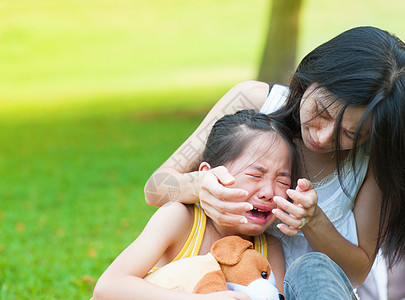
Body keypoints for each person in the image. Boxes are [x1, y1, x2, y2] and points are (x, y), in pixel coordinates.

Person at [144, 26, 405, 299]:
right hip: (216, 288)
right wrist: (199, 185)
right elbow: (155, 188)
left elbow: (356, 273)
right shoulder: (255, 101)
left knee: (311, 269)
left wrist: (313, 222)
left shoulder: (371, 162)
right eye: (321, 112)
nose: (323, 137)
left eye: (350, 134)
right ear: (312, 76)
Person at [94, 110, 302, 300]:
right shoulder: (179, 219)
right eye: (255, 175)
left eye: (282, 181)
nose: (268, 192)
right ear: (208, 175)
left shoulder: (268, 248)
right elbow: (108, 287)